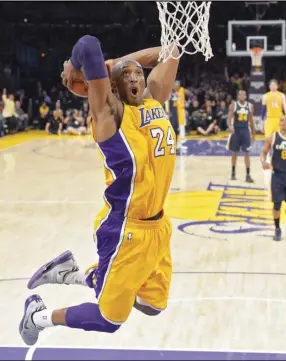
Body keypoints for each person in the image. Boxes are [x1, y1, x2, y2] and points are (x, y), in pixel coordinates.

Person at [19, 35, 179, 346]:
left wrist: (120, 65)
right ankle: (37, 317)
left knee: (152, 305)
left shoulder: (153, 101)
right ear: (112, 87)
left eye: (138, 73)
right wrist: (105, 67)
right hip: (124, 230)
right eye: (126, 75)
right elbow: (88, 46)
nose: (134, 76)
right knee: (109, 320)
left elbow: (171, 51)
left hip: (158, 225)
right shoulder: (108, 117)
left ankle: (70, 273)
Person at [227, 90, 256, 182]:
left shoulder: (250, 106)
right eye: (240, 94)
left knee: (247, 153)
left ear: (246, 96)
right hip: (236, 131)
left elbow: (251, 121)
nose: (242, 95)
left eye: (243, 94)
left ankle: (248, 175)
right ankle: (233, 172)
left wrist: (254, 133)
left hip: (245, 131)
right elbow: (229, 118)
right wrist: (230, 126)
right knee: (234, 152)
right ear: (238, 96)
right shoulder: (233, 105)